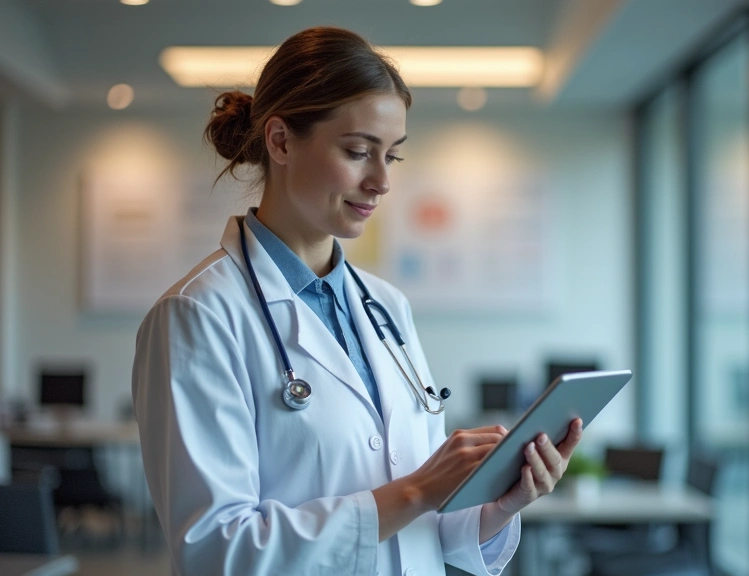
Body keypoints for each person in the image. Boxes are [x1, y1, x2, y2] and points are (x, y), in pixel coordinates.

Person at [132, 26, 583, 576]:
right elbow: (217, 552)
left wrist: (500, 503)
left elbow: (425, 528)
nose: (380, 181)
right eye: (357, 152)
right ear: (279, 141)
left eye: (392, 156)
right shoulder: (198, 315)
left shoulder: (387, 306)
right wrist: (416, 490)